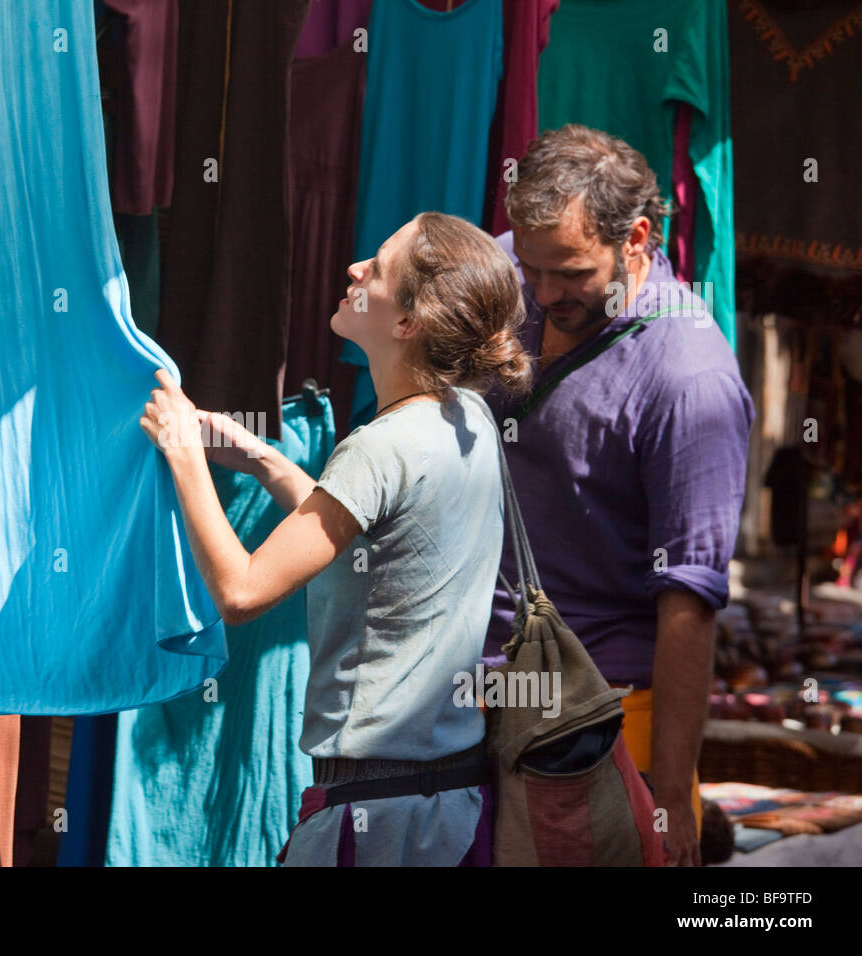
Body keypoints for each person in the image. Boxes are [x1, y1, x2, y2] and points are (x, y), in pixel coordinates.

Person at [140, 211, 532, 866]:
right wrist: (266, 463)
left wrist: (183, 452)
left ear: (408, 323)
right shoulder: (469, 415)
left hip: (373, 818)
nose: (354, 269)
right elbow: (370, 545)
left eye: (377, 268)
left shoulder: (378, 446)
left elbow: (239, 591)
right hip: (452, 812)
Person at [485, 124, 755, 866]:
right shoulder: (512, 270)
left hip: (600, 723)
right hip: (482, 706)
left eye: (568, 273)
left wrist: (668, 798)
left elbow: (687, 603)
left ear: (636, 237)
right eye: (529, 266)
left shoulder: (688, 376)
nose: (541, 292)